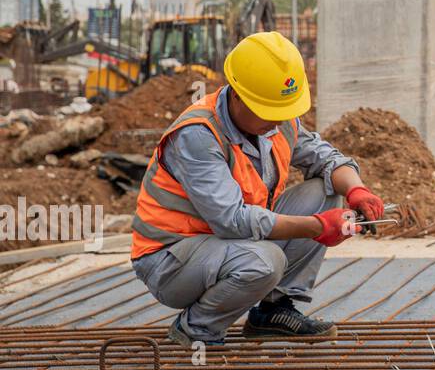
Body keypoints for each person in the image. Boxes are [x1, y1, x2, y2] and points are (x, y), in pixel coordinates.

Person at [130, 32, 385, 346]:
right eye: (269, 110)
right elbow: (232, 220)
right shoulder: (198, 134)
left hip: (226, 244)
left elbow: (326, 159)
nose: (279, 120)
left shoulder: (280, 122)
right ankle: (196, 328)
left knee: (326, 191)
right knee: (264, 261)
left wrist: (357, 190)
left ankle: (272, 312)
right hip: (171, 259)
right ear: (237, 95)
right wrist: (317, 227)